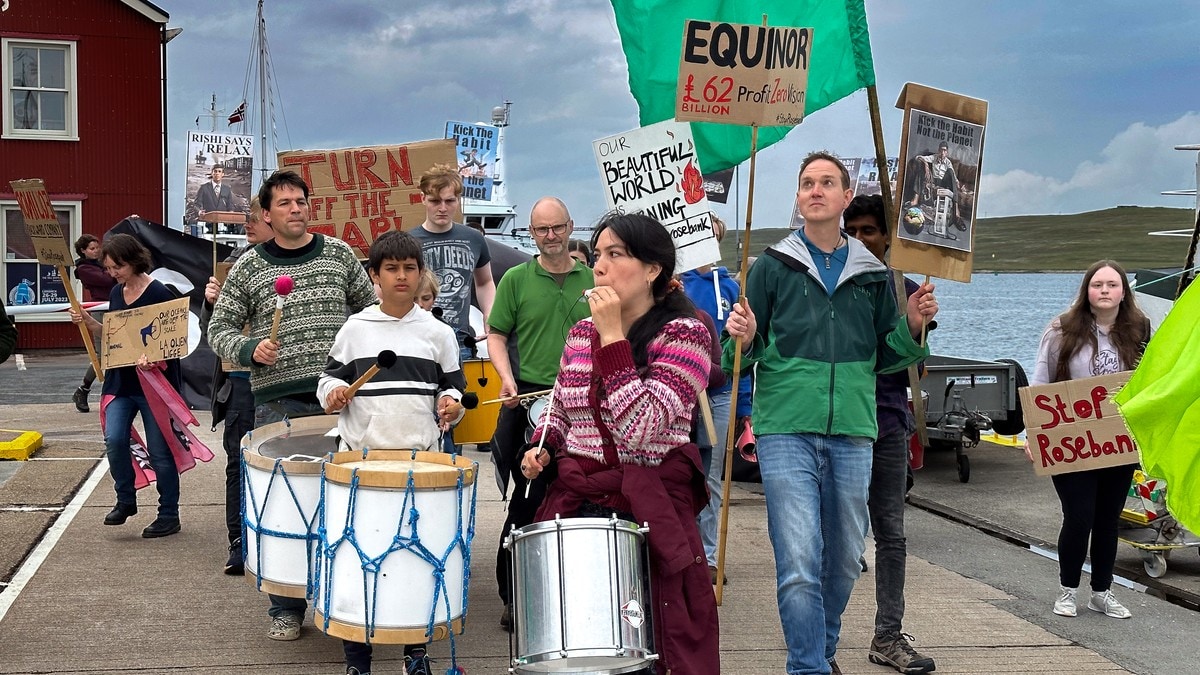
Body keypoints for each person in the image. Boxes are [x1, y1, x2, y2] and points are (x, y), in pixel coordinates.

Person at [724, 151, 938, 675]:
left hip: (853, 428)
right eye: (806, 183)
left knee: (843, 560)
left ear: (845, 197)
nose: (815, 190)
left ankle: (820, 649)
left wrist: (911, 325)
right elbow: (738, 358)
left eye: (827, 183)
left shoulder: (875, 275)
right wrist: (744, 340)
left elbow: (888, 356)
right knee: (798, 562)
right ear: (798, 199)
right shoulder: (769, 267)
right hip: (784, 428)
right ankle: (808, 667)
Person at [521, 212, 719, 675]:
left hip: (647, 511)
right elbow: (562, 408)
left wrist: (613, 337)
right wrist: (545, 443)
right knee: (580, 646)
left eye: (616, 255)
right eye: (598, 256)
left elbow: (642, 428)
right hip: (582, 504)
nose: (600, 267)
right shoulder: (580, 334)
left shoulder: (686, 335)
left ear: (653, 269)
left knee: (649, 648)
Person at [208, 170, 376, 642]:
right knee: (285, 508)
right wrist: (249, 349)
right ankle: (286, 606)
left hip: (341, 403)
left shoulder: (340, 255)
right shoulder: (248, 267)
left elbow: (370, 315)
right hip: (277, 404)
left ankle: (345, 596)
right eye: (284, 203)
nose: (295, 208)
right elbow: (218, 329)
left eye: (300, 200)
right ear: (266, 214)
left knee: (344, 503)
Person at [318, 230, 466, 675]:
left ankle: (416, 655)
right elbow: (327, 380)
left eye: (409, 268)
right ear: (374, 276)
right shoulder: (355, 329)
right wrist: (335, 392)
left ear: (421, 273)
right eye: (392, 269)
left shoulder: (437, 334)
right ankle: (357, 662)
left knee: (418, 564)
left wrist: (451, 407)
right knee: (354, 561)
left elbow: (453, 391)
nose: (402, 276)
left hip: (420, 464)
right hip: (360, 463)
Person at [487, 196, 594, 630]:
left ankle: (575, 591)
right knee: (528, 499)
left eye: (557, 227)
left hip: (586, 402)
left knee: (581, 498)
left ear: (570, 227)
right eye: (541, 230)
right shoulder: (515, 279)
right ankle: (514, 595)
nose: (550, 236)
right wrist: (506, 378)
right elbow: (496, 334)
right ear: (531, 233)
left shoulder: (594, 278)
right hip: (531, 400)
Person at [842, 194, 936, 674]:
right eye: (851, 230)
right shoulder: (833, 283)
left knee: (891, 534)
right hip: (838, 421)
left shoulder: (906, 288)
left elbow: (913, 362)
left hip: (888, 421)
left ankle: (888, 636)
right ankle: (818, 643)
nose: (859, 239)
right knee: (833, 535)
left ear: (888, 236)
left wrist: (917, 322)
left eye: (869, 231)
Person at [1026, 260, 1149, 621]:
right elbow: (1040, 382)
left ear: (1123, 291)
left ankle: (1102, 592)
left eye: (1112, 285)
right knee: (1079, 516)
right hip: (1071, 440)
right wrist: (1033, 433)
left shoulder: (1141, 329)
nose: (1105, 291)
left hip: (1117, 440)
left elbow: (1150, 382)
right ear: (1087, 291)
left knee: (1108, 519)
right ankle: (1067, 591)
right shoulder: (1061, 329)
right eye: (1098, 285)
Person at [69, 234, 184, 538]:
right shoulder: (118, 293)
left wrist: (155, 358)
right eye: (108, 268)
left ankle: (169, 514)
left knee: (160, 453)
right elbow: (115, 334)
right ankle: (126, 499)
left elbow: (175, 342)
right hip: (121, 382)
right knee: (114, 440)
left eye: (116, 267)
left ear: (133, 260)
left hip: (154, 386)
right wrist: (86, 322)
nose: (112, 273)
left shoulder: (160, 293)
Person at [678, 214, 752, 585]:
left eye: (712, 236)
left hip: (719, 394)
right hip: (681, 393)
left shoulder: (732, 288)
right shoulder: (674, 287)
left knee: (712, 477)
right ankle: (682, 550)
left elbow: (743, 353)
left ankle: (707, 556)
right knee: (679, 472)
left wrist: (746, 408)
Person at [200, 197, 272, 575]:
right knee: (238, 464)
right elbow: (211, 331)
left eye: (254, 219)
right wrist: (211, 303)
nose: (247, 225)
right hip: (241, 383)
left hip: (280, 384)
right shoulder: (234, 263)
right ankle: (238, 542)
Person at [409, 163, 495, 362]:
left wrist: (489, 315)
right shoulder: (407, 241)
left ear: (458, 200)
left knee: (458, 392)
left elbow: (485, 282)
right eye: (435, 201)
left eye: (449, 201)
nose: (442, 208)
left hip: (460, 338)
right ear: (422, 198)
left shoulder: (474, 238)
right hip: (417, 336)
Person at [71, 234, 119, 413]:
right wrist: (113, 271)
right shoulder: (84, 268)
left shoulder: (102, 265)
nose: (96, 251)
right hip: (100, 311)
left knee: (118, 352)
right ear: (83, 251)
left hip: (115, 308)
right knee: (101, 355)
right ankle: (83, 389)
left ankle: (114, 395)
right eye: (92, 248)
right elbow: (107, 280)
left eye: (97, 247)